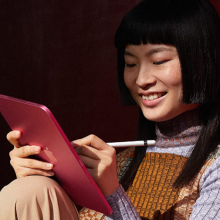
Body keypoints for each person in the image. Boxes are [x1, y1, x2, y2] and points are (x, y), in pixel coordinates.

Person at [1, 0, 220, 219]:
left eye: (159, 61)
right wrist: (34, 182)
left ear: (203, 60)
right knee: (29, 191)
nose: (141, 80)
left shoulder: (215, 167)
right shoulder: (117, 163)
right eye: (131, 64)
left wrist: (113, 194)